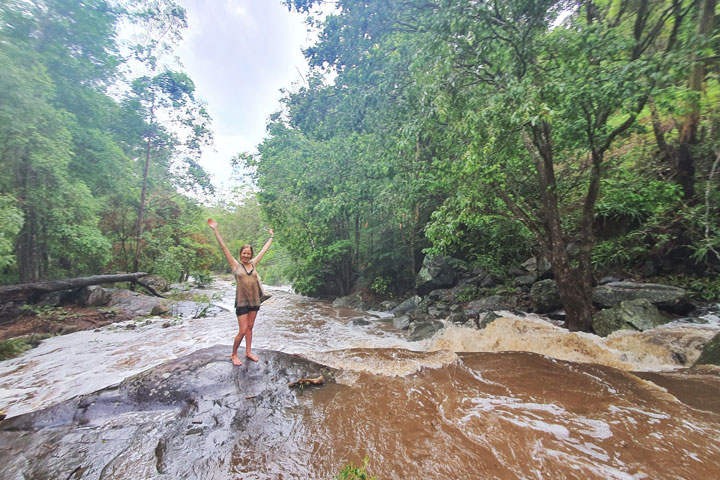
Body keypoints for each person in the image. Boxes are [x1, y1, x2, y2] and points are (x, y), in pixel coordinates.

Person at [208, 219, 274, 366]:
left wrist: (271, 237)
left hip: (255, 302)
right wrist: (215, 230)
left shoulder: (253, 263)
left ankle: (248, 351)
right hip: (242, 303)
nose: (246, 255)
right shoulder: (235, 265)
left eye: (248, 253)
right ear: (240, 254)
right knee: (242, 330)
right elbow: (223, 246)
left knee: (250, 327)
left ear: (251, 255)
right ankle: (234, 354)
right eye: (244, 253)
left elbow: (264, 250)